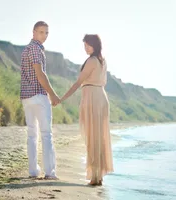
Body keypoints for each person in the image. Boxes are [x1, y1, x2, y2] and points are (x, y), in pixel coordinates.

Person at [60, 34, 114, 185]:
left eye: (88, 45)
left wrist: (61, 99)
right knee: (99, 137)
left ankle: (95, 176)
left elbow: (78, 83)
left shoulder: (91, 60)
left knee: (92, 137)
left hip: (92, 98)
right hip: (100, 97)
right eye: (84, 45)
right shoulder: (102, 61)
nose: (85, 48)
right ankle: (98, 176)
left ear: (95, 45)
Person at [20, 21, 59, 180]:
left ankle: (33, 171)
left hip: (26, 98)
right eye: (41, 32)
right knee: (46, 134)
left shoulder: (25, 50)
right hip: (38, 96)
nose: (44, 36)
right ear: (34, 32)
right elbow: (40, 74)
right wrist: (53, 94)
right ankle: (50, 173)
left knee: (31, 134)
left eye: (47, 33)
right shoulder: (36, 49)